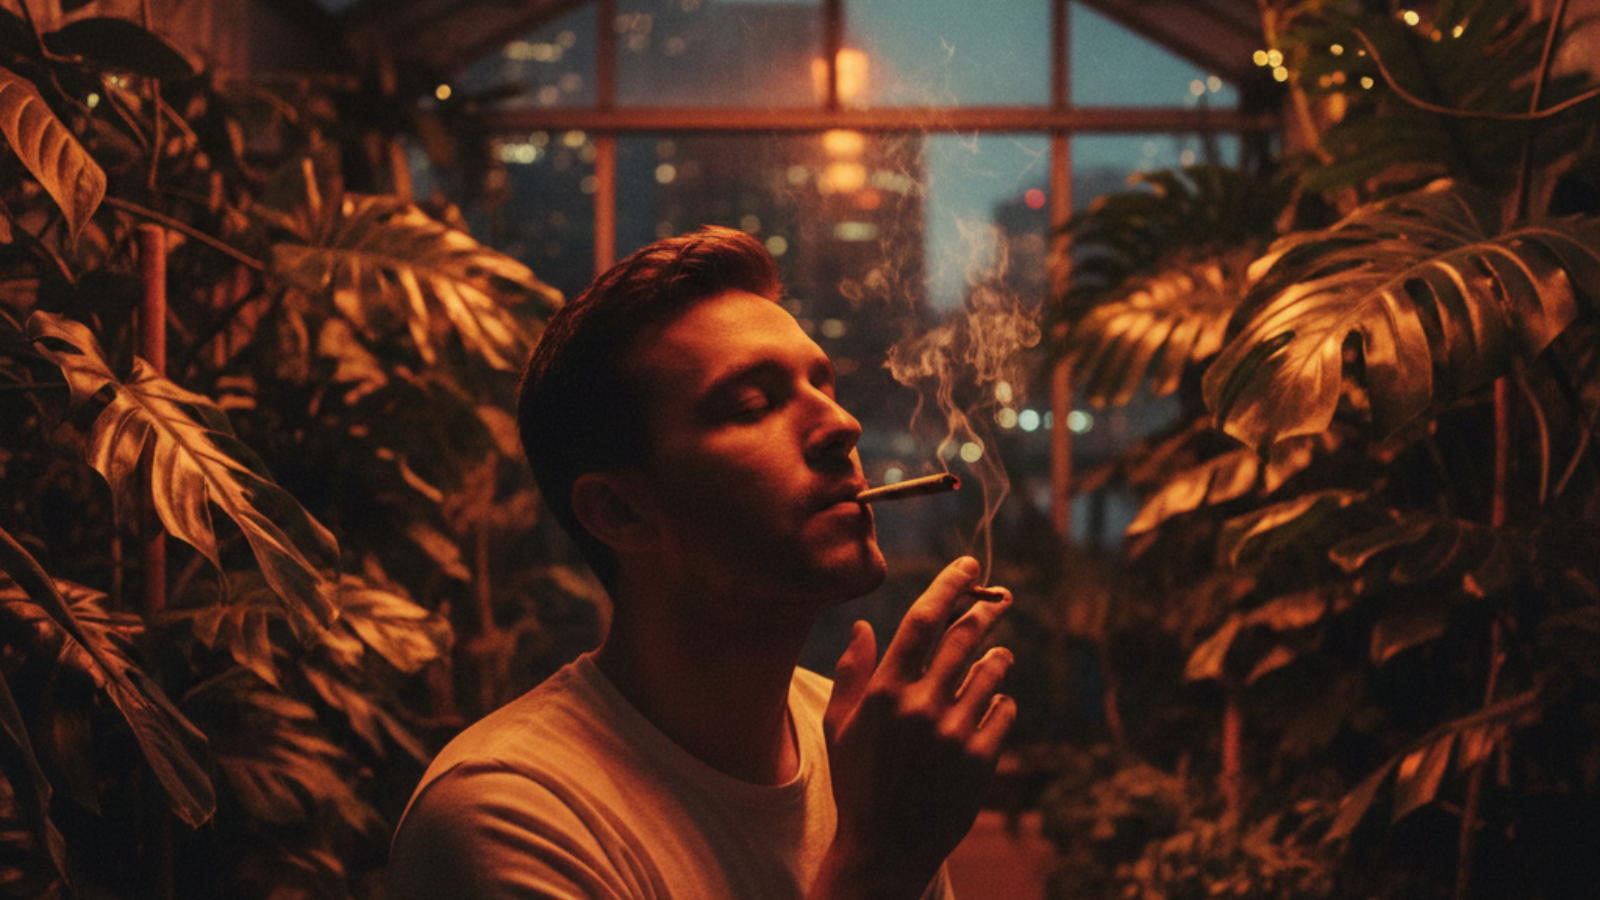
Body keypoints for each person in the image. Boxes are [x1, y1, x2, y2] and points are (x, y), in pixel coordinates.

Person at [387, 226, 1016, 900]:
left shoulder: (858, 749)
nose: (841, 426)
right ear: (621, 513)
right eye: (752, 404)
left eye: (823, 386)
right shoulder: (510, 817)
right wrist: (876, 863)